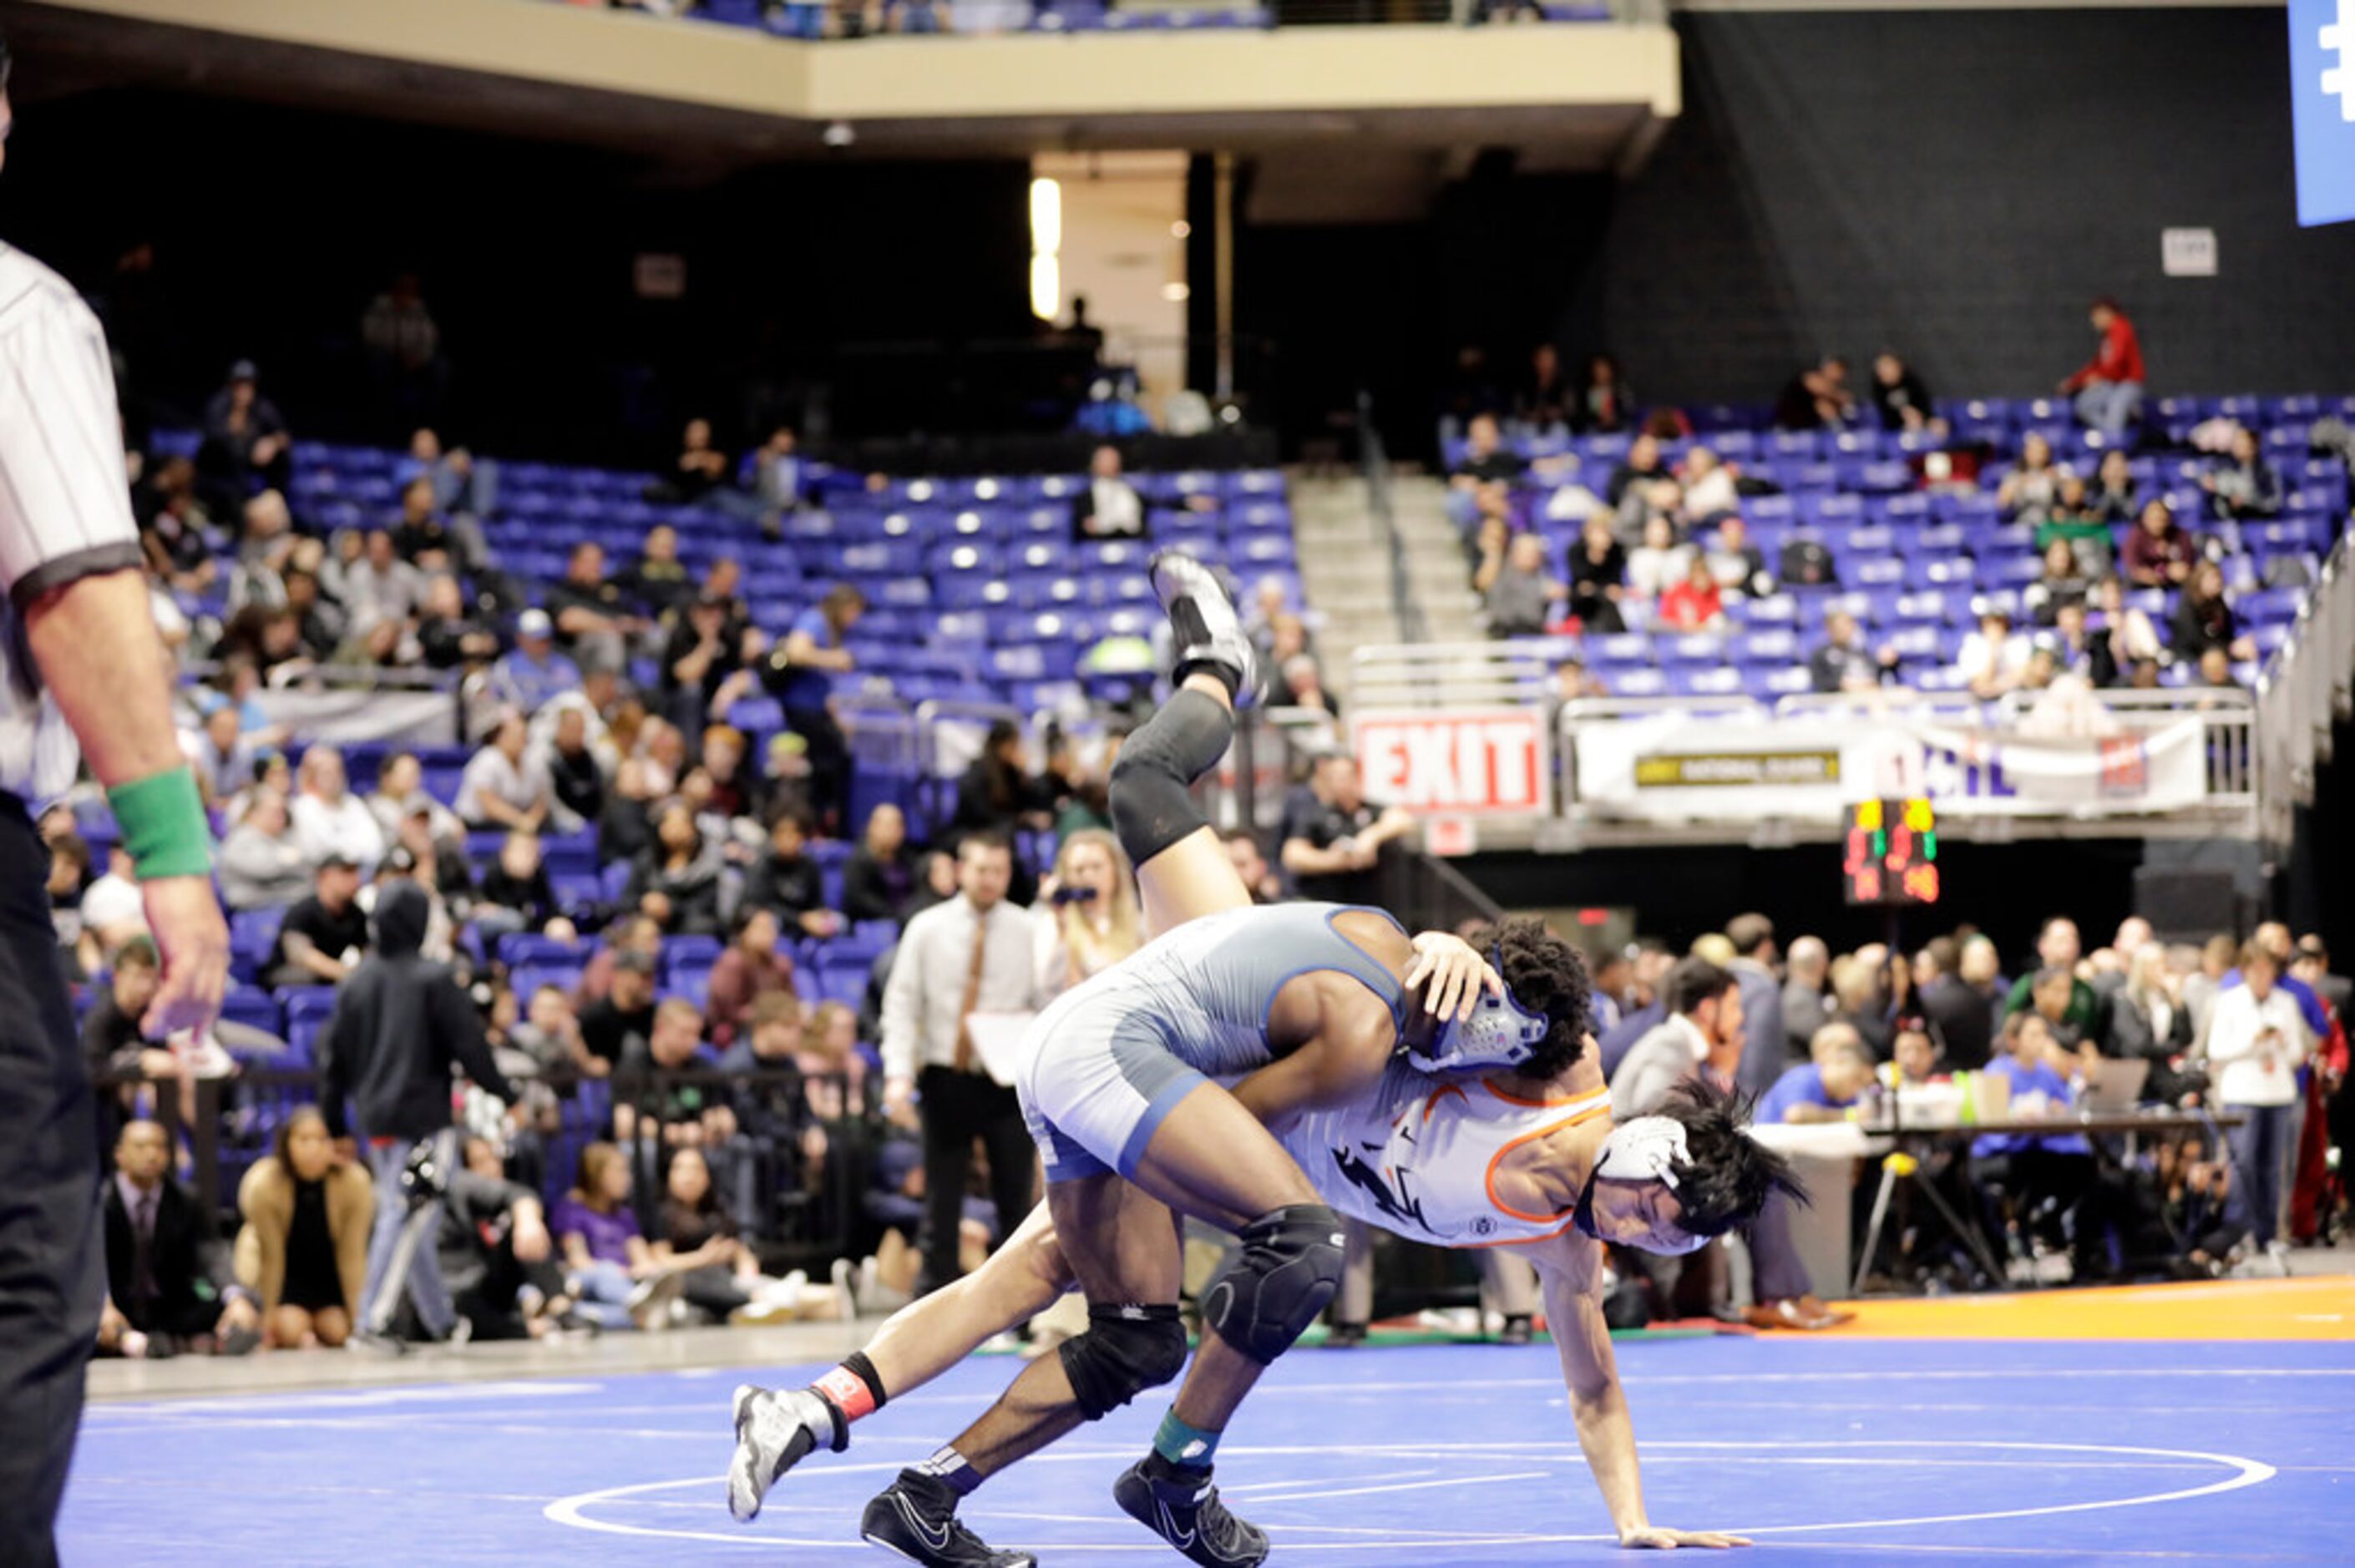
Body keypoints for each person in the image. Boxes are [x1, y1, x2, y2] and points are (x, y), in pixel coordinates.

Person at [728, 559, 1783, 1557]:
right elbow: (1531, 998)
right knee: (1232, 1250)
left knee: (1145, 785)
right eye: (1657, 1208)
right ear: (1647, 1149)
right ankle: (1175, 1478)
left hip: (1225, 1062)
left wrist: (1637, 1521)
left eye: (1666, 1239)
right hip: (1226, 1071)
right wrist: (1461, 946)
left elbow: (1594, 1387)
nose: (1642, 1233)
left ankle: (878, 1458)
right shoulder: (1554, 1074)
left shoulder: (1566, 1249)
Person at [317, 880, 517, 1343]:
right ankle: (374, 1319)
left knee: (410, 1209)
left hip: (376, 1121)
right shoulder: (433, 977)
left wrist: (335, 1123)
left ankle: (441, 1322)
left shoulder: (357, 981)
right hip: (424, 1119)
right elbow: (470, 1046)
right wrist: (506, 1094)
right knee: (409, 1212)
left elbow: (333, 1060)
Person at [880, 832, 1046, 1296]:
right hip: (944, 1076)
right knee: (941, 1203)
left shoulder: (1030, 929)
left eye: (999, 871)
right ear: (960, 871)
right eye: (981, 870)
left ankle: (1021, 1308)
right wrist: (898, 1073)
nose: (990, 880)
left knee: (1016, 1199)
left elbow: (1045, 1001)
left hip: (1006, 1078)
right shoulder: (927, 927)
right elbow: (902, 1003)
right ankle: (930, 1307)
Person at [100, 1120, 260, 1357]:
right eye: (141, 1146)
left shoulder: (185, 1200)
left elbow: (211, 1253)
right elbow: (89, 1264)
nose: (151, 1154)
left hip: (170, 1308)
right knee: (84, 1317)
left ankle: (219, 1337)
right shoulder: (99, 1204)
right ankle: (133, 1343)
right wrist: (103, 1303)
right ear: (120, 1154)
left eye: (159, 1147)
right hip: (116, 1306)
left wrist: (235, 1297)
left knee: (239, 1305)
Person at [2203, 942, 2312, 1262]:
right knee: (2243, 1164)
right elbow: (2217, 1051)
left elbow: (2297, 1055)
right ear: (2245, 970)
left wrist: (2281, 1042)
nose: (2264, 976)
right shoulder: (2228, 1002)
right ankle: (2237, 1231)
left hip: (2278, 1091)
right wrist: (2252, 1043)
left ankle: (2268, 1234)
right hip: (2243, 1093)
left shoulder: (2286, 1002)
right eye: (2257, 969)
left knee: (2273, 1167)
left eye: (2269, 969)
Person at [232, 1107, 372, 1350]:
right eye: (304, 1140)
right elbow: (270, 1257)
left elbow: (353, 1256)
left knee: (337, 1330)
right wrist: (265, 1319)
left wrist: (359, 1319)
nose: (314, 1148)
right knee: (290, 1328)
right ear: (287, 1144)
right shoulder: (265, 1183)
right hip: (285, 1280)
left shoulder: (354, 1182)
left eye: (321, 1139)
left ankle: (319, 1331)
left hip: (329, 1279)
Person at [550, 1141, 685, 1332]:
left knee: (603, 1311)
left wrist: (643, 1270)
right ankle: (644, 1304)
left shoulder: (625, 1216)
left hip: (621, 1285)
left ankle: (630, 1314)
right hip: (587, 1280)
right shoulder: (572, 1209)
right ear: (595, 1173)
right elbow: (579, 1261)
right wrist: (619, 1272)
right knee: (606, 1272)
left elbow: (641, 1258)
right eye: (620, 1171)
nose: (627, 1179)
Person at [761, 583, 863, 834]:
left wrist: (836, 717)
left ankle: (824, 822)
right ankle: (822, 825)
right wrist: (834, 659)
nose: (854, 619)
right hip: (800, 709)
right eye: (853, 612)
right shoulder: (815, 619)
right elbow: (796, 652)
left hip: (816, 709)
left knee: (840, 759)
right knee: (831, 762)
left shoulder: (829, 630)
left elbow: (821, 686)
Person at [1278, 752, 1415, 906]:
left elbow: (1404, 820)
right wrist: (1336, 860)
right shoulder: (1315, 814)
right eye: (1335, 777)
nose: (1341, 783)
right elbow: (1293, 855)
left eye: (1345, 776)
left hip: (1369, 904)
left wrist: (1371, 837)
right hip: (1327, 903)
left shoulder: (1370, 811)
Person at [1035, 828, 1142, 999]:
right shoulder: (1054, 923)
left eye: (1096, 867)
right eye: (1079, 870)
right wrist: (1061, 923)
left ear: (1115, 871)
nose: (1088, 876)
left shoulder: (1138, 922)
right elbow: (1047, 987)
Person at [264, 855, 370, 987]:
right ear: (324, 876)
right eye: (346, 872)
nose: (355, 879)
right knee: (309, 977)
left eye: (355, 872)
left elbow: (368, 952)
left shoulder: (356, 914)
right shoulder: (303, 911)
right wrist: (344, 973)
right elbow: (299, 955)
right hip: (288, 975)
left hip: (330, 976)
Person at [707, 905, 797, 1050]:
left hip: (774, 1026)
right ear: (742, 932)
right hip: (738, 1032)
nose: (770, 933)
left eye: (772, 928)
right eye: (762, 928)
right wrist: (768, 1017)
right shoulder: (732, 962)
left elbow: (791, 1000)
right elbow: (728, 1011)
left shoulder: (781, 964)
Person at [2059, 296, 2145, 438]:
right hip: (2111, 383)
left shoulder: (2121, 328)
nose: (2094, 321)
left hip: (2128, 383)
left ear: (2107, 313)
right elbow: (2096, 366)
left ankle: (2116, 441)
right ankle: (2115, 436)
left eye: (2096, 316)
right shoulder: (2107, 338)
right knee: (2084, 404)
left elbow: (2118, 360)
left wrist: (2099, 377)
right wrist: (2074, 382)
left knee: (2116, 406)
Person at [291, 746, 385, 873]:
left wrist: (348, 854)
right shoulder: (303, 808)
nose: (334, 778)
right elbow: (317, 852)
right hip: (323, 877)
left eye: (338, 771)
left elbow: (375, 845)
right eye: (327, 773)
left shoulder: (353, 803)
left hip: (363, 871)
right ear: (312, 776)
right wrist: (352, 853)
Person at [490, 609, 584, 715]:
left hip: (565, 719)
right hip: (530, 721)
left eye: (546, 638)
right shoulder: (506, 666)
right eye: (537, 639)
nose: (543, 644)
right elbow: (519, 703)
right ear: (520, 638)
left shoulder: (565, 665)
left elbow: (579, 698)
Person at [843, 802, 918, 925]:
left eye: (899, 825)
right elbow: (858, 899)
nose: (894, 831)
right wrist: (895, 915)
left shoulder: (908, 858)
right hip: (870, 925)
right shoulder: (857, 860)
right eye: (888, 826)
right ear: (872, 827)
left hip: (906, 920)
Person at [2170, 560, 2254, 666]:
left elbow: (2226, 633)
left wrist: (2237, 645)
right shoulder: (2188, 606)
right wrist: (2230, 649)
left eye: (2219, 577)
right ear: (2199, 580)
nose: (2217, 582)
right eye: (2212, 578)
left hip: (2218, 654)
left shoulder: (2218, 602)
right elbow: (2195, 643)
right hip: (2193, 660)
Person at [1808, 608, 1897, 694]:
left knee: (1903, 693)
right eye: (1839, 626)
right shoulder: (1821, 654)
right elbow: (1821, 683)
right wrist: (1844, 684)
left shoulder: (1861, 652)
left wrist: (1886, 663)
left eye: (1847, 625)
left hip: (1867, 695)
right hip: (1838, 701)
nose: (1843, 630)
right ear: (1830, 629)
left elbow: (1876, 675)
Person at [1564, 514, 1628, 633]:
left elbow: (1615, 583)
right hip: (1582, 601)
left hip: (1609, 604)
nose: (1607, 538)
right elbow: (1582, 583)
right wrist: (1595, 556)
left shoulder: (1617, 551)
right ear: (1589, 534)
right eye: (1602, 533)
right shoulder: (1576, 551)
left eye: (1609, 533)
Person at [1072, 443, 1147, 540]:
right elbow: (1083, 530)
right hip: (1096, 546)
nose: (1110, 464)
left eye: (1114, 460)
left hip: (1129, 543)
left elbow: (1139, 527)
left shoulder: (1133, 494)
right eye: (1105, 460)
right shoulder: (1083, 499)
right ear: (1094, 465)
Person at [1774, 354, 1855, 431]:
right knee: (1823, 404)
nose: (1838, 374)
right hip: (1787, 425)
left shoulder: (1834, 388)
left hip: (1811, 426)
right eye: (1836, 369)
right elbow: (1820, 389)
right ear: (1826, 367)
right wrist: (1840, 397)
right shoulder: (1810, 377)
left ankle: (1840, 431)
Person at [1869, 350, 1933, 432]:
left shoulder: (1911, 382)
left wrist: (1921, 417)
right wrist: (1903, 417)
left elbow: (1925, 405)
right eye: (1880, 368)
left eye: (1887, 366)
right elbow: (1885, 418)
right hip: (1896, 430)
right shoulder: (1878, 389)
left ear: (1898, 366)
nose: (1883, 371)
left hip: (1921, 421)